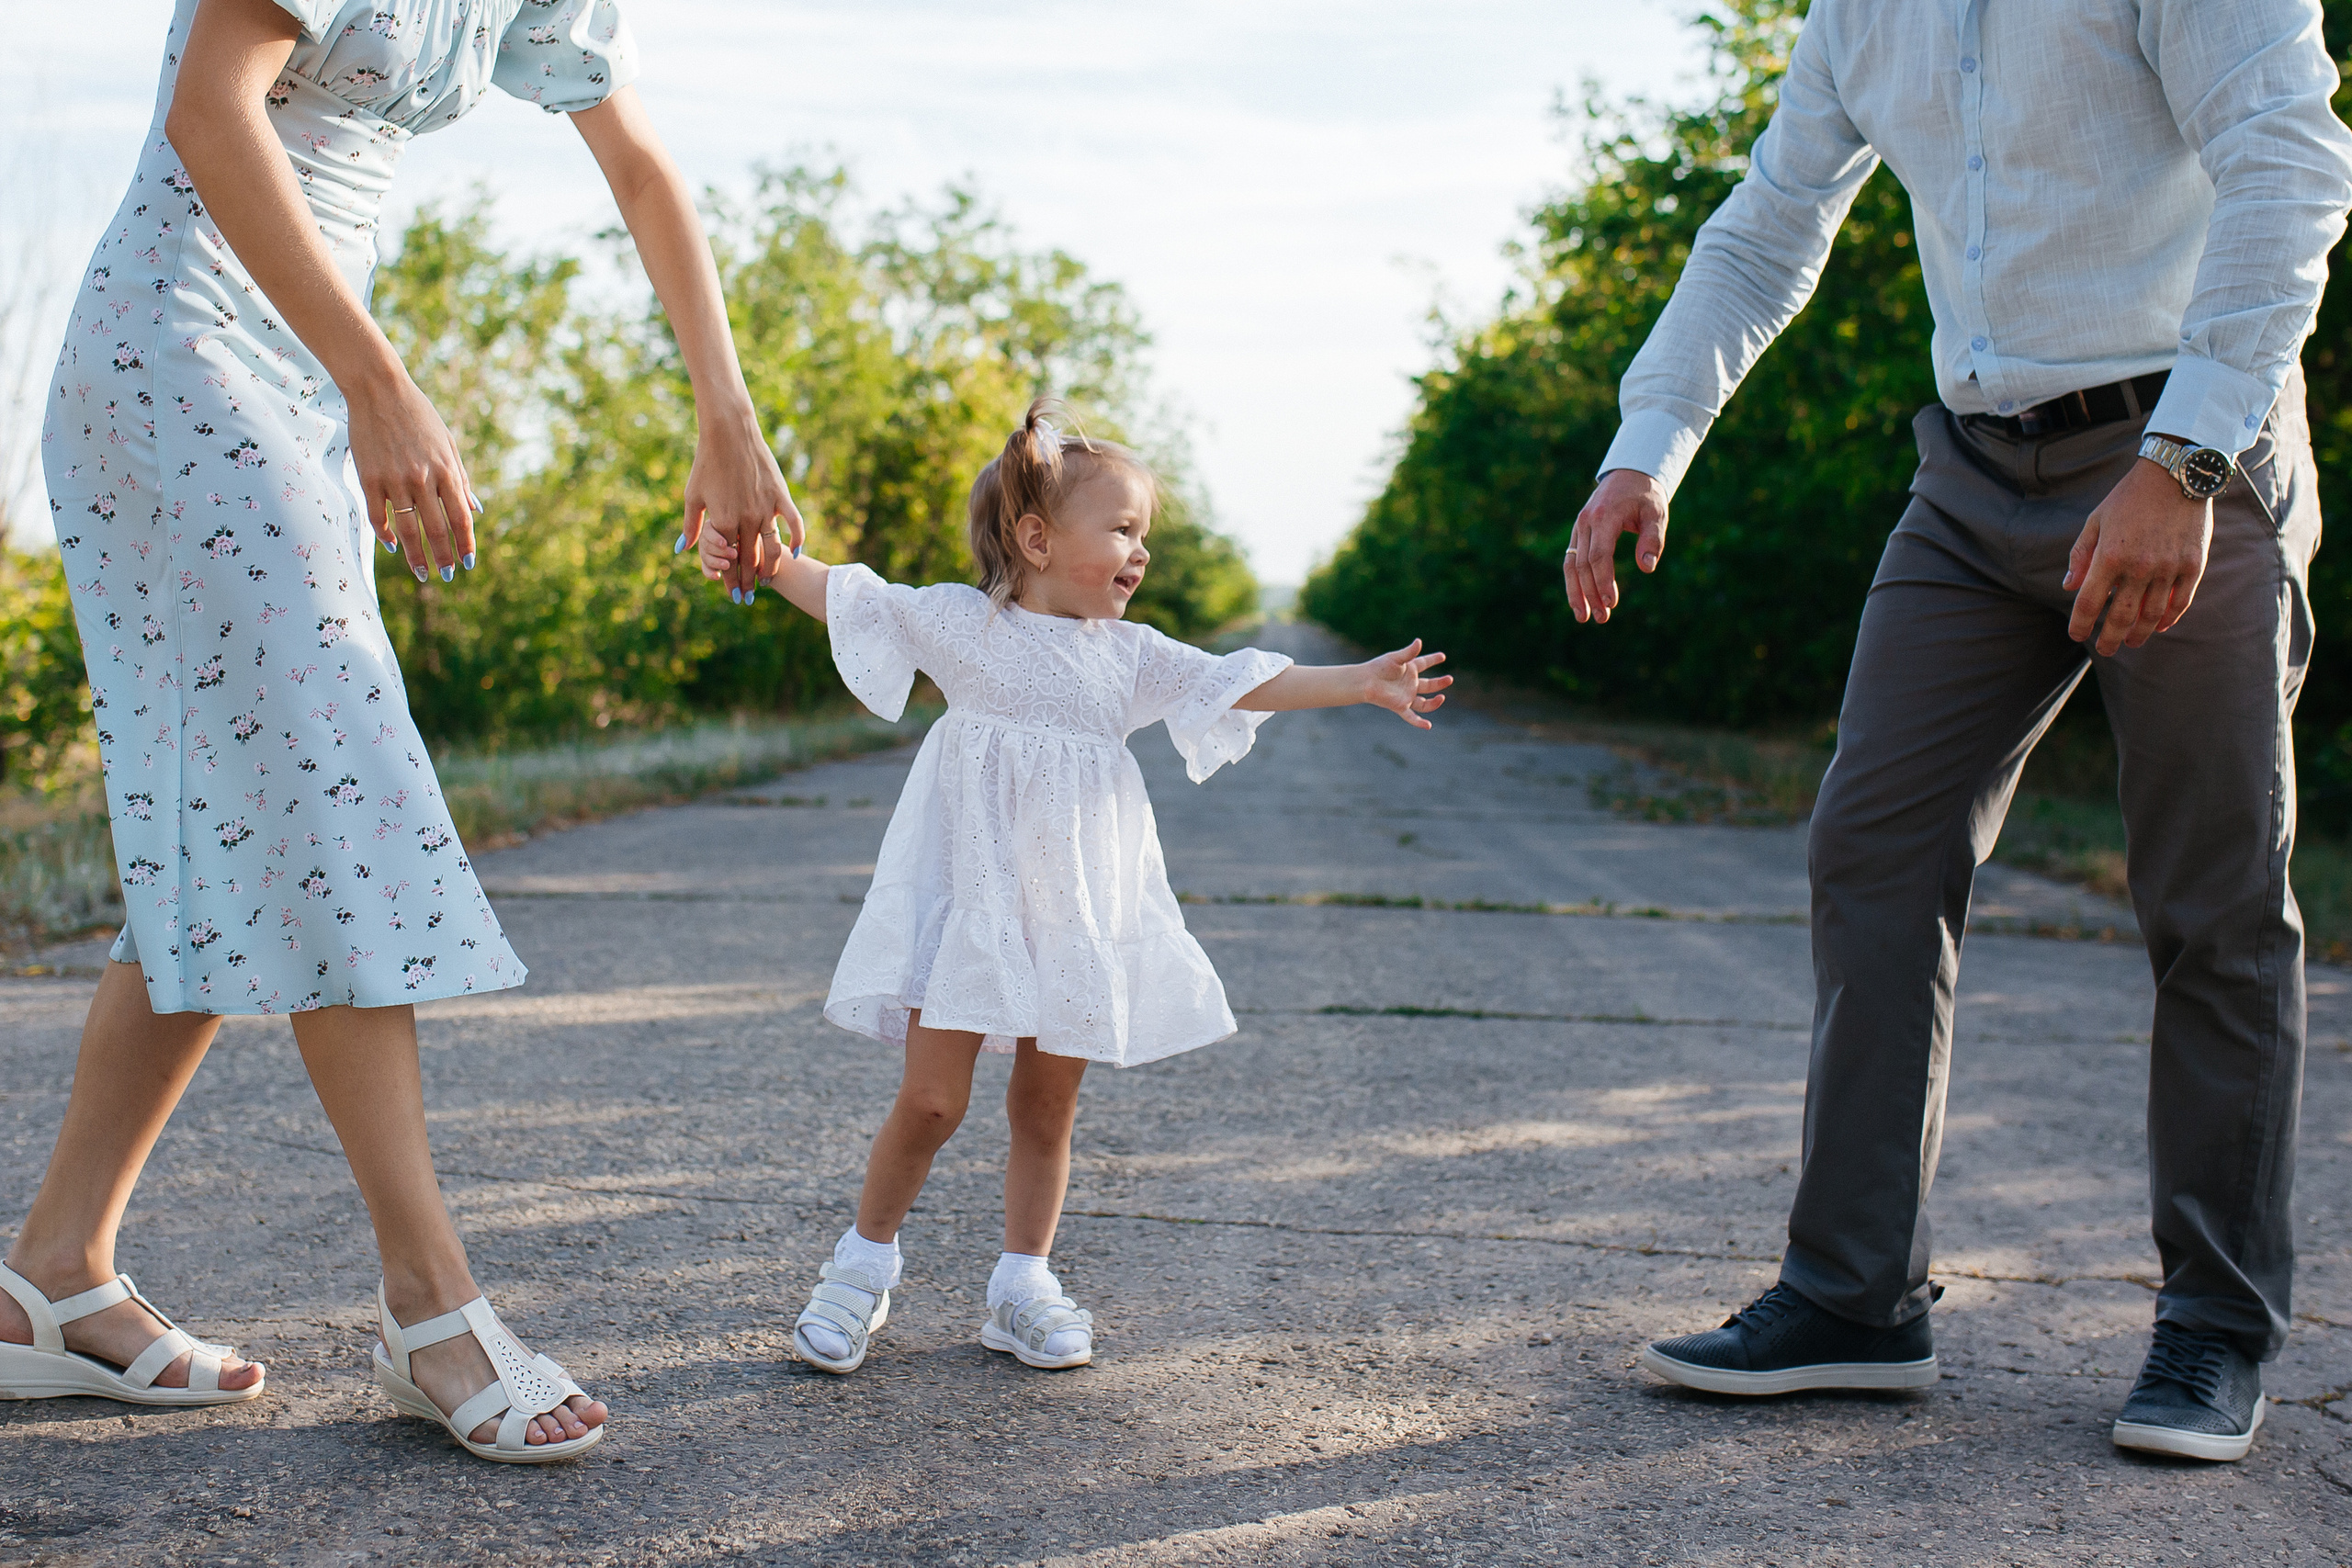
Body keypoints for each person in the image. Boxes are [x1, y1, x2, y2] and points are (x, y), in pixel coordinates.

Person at [2, 0, 796, 1463]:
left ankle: (53, 1271)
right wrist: (381, 381)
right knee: (329, 779)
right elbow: (208, 111)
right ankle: (429, 1299)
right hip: (180, 344)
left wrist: (725, 408)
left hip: (307, 362)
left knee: (230, 809)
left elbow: (637, 164)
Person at [1566, 2, 2352, 1462]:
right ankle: (1852, 1297)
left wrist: (2187, 459)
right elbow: (1767, 226)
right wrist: (1646, 443)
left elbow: (2291, 163)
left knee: (2212, 892)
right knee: (1873, 844)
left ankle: (2218, 1320)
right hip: (1975, 473)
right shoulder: (1858, 16)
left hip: (2193, 445)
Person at [695, 400, 1449, 1372]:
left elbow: (1237, 679)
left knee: (1045, 1107)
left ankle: (1022, 1283)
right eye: (1123, 529)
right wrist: (755, 557)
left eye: (1147, 535)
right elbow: (852, 594)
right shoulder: (963, 625)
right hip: (967, 914)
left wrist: (1357, 679)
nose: (1142, 553)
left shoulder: (1128, 658)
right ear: (1037, 538)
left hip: (1070, 921)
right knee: (931, 1102)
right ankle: (860, 1266)